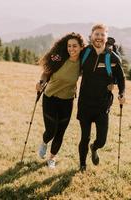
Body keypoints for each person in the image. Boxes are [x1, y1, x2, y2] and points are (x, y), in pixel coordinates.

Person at [77, 23, 126, 171]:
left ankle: (95, 148)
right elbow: (73, 66)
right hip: (85, 103)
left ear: (106, 37)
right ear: (91, 36)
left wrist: (122, 93)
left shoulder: (112, 58)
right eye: (96, 34)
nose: (99, 37)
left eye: (101, 34)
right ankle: (82, 164)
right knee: (84, 137)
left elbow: (121, 77)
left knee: (102, 140)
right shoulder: (84, 52)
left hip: (103, 104)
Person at [36, 32, 84, 168]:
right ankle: (44, 142)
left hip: (67, 101)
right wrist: (40, 82)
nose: (71, 49)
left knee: (60, 132)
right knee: (51, 130)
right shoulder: (60, 59)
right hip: (50, 98)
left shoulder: (81, 64)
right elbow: (46, 73)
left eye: (75, 46)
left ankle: (52, 158)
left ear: (81, 47)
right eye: (69, 46)